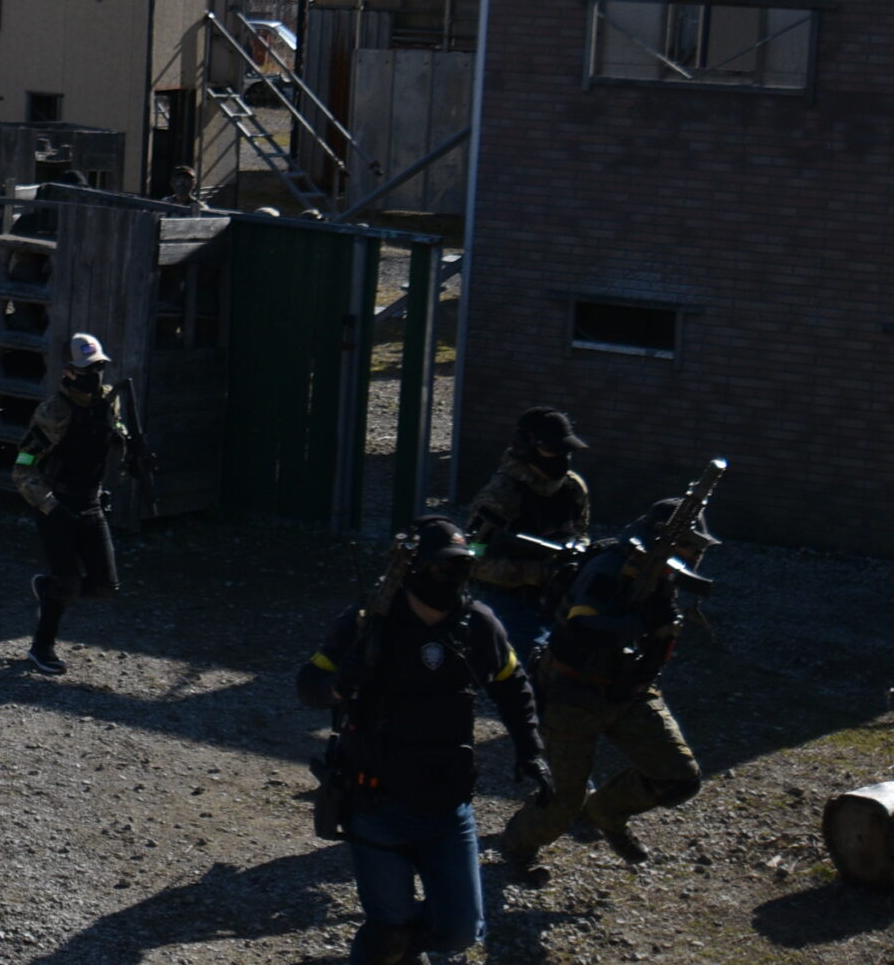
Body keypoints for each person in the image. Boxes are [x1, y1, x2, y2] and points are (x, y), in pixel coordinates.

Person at [299, 516, 551, 965]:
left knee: (460, 930)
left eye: (463, 567)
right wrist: (340, 685)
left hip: (448, 805)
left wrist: (530, 748)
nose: (453, 578)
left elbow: (513, 684)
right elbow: (309, 685)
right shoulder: (367, 623)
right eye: (443, 567)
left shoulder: (478, 625)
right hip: (376, 803)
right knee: (388, 928)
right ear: (414, 571)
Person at [497, 497, 717, 874]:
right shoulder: (609, 568)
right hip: (571, 692)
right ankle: (518, 846)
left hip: (628, 690)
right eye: (689, 545)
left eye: (699, 548)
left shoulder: (661, 576)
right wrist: (642, 622)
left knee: (679, 778)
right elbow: (581, 629)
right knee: (565, 800)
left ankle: (603, 812)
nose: (696, 556)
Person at [14, 335, 151, 675]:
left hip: (91, 502)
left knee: (104, 587)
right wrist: (50, 506)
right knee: (68, 582)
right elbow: (23, 468)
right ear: (69, 371)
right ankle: (41, 647)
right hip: (56, 503)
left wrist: (131, 455)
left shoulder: (108, 402)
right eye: (87, 369)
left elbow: (115, 435)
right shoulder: (54, 412)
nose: (94, 375)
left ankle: (47, 589)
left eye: (99, 367)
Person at [465, 406, 592, 665]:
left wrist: (575, 556)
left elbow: (581, 532)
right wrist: (534, 572)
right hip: (509, 602)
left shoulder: (572, 488)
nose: (561, 458)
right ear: (525, 448)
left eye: (565, 451)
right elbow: (472, 558)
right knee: (532, 665)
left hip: (558, 598)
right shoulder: (500, 495)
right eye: (553, 450)